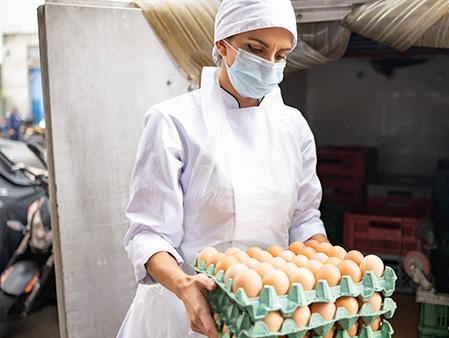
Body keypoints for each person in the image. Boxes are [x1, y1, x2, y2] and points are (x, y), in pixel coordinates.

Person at [117, 0, 328, 337]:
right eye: (255, 49)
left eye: (281, 55)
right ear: (222, 45)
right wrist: (185, 286)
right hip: (186, 308)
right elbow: (149, 234)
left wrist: (329, 269)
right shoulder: (174, 122)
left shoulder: (294, 127)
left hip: (269, 312)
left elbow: (304, 219)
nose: (269, 64)